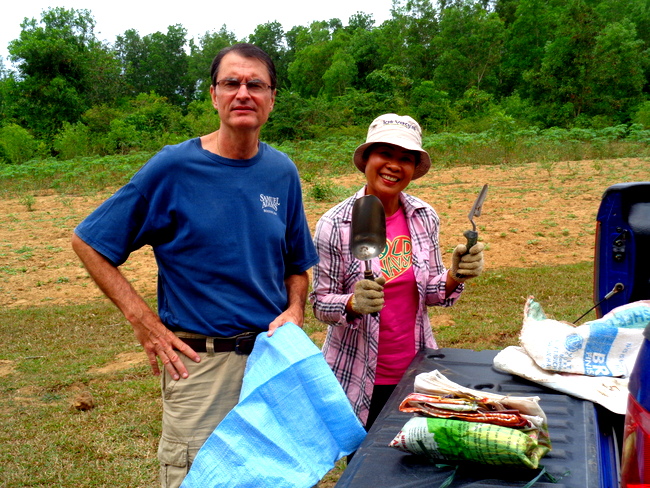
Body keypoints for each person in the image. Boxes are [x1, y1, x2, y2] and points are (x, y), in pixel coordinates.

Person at [71, 43, 318, 488]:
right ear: (214, 95)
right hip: (199, 367)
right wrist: (143, 321)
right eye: (232, 83)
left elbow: (298, 263)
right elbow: (89, 241)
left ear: (272, 98)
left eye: (255, 84)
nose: (243, 93)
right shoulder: (173, 168)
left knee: (274, 478)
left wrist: (296, 309)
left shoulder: (282, 172)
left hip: (269, 363)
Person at [309, 113, 484, 431]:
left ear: (414, 170)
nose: (394, 165)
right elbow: (320, 303)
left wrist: (455, 275)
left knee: (414, 462)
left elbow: (430, 291)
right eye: (385, 154)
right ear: (367, 159)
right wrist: (352, 303)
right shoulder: (334, 224)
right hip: (360, 375)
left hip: (417, 369)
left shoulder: (423, 216)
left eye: (405, 158)